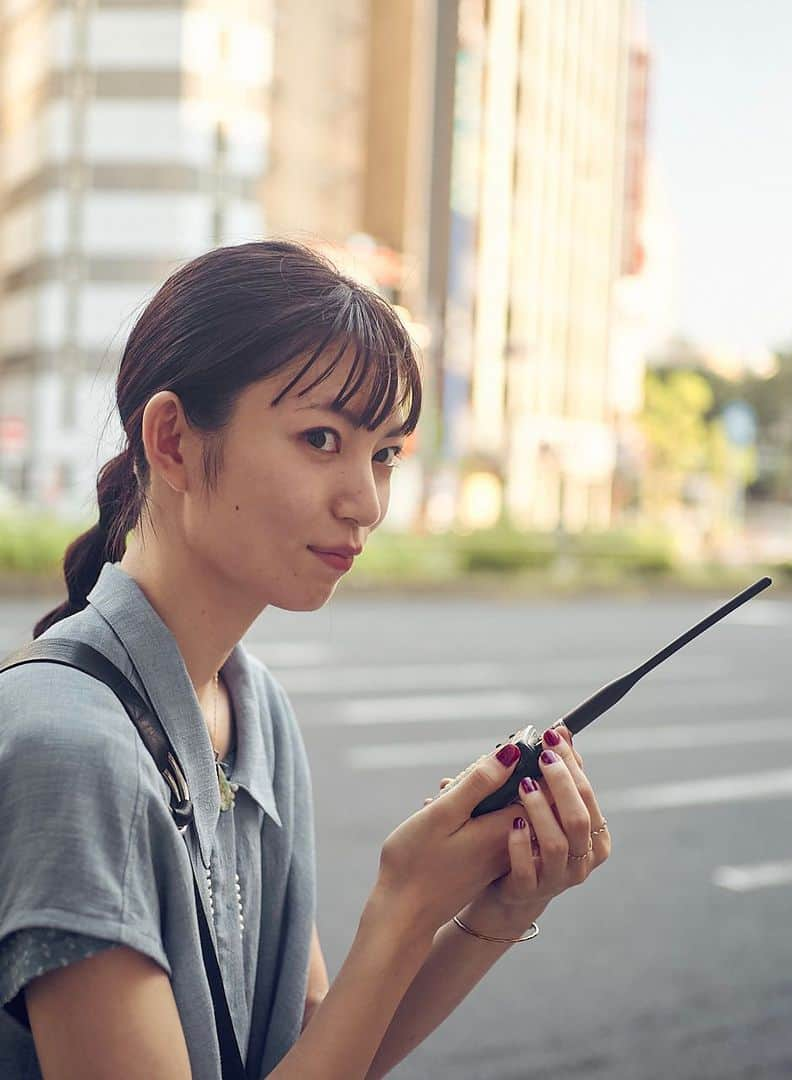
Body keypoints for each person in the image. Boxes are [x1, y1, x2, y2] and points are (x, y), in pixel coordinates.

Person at [0, 240, 611, 1079]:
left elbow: (316, 1048)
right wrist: (401, 906)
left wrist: (495, 912)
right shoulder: (66, 750)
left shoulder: (255, 709)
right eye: (321, 438)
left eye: (386, 453)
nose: (365, 501)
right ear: (173, 441)